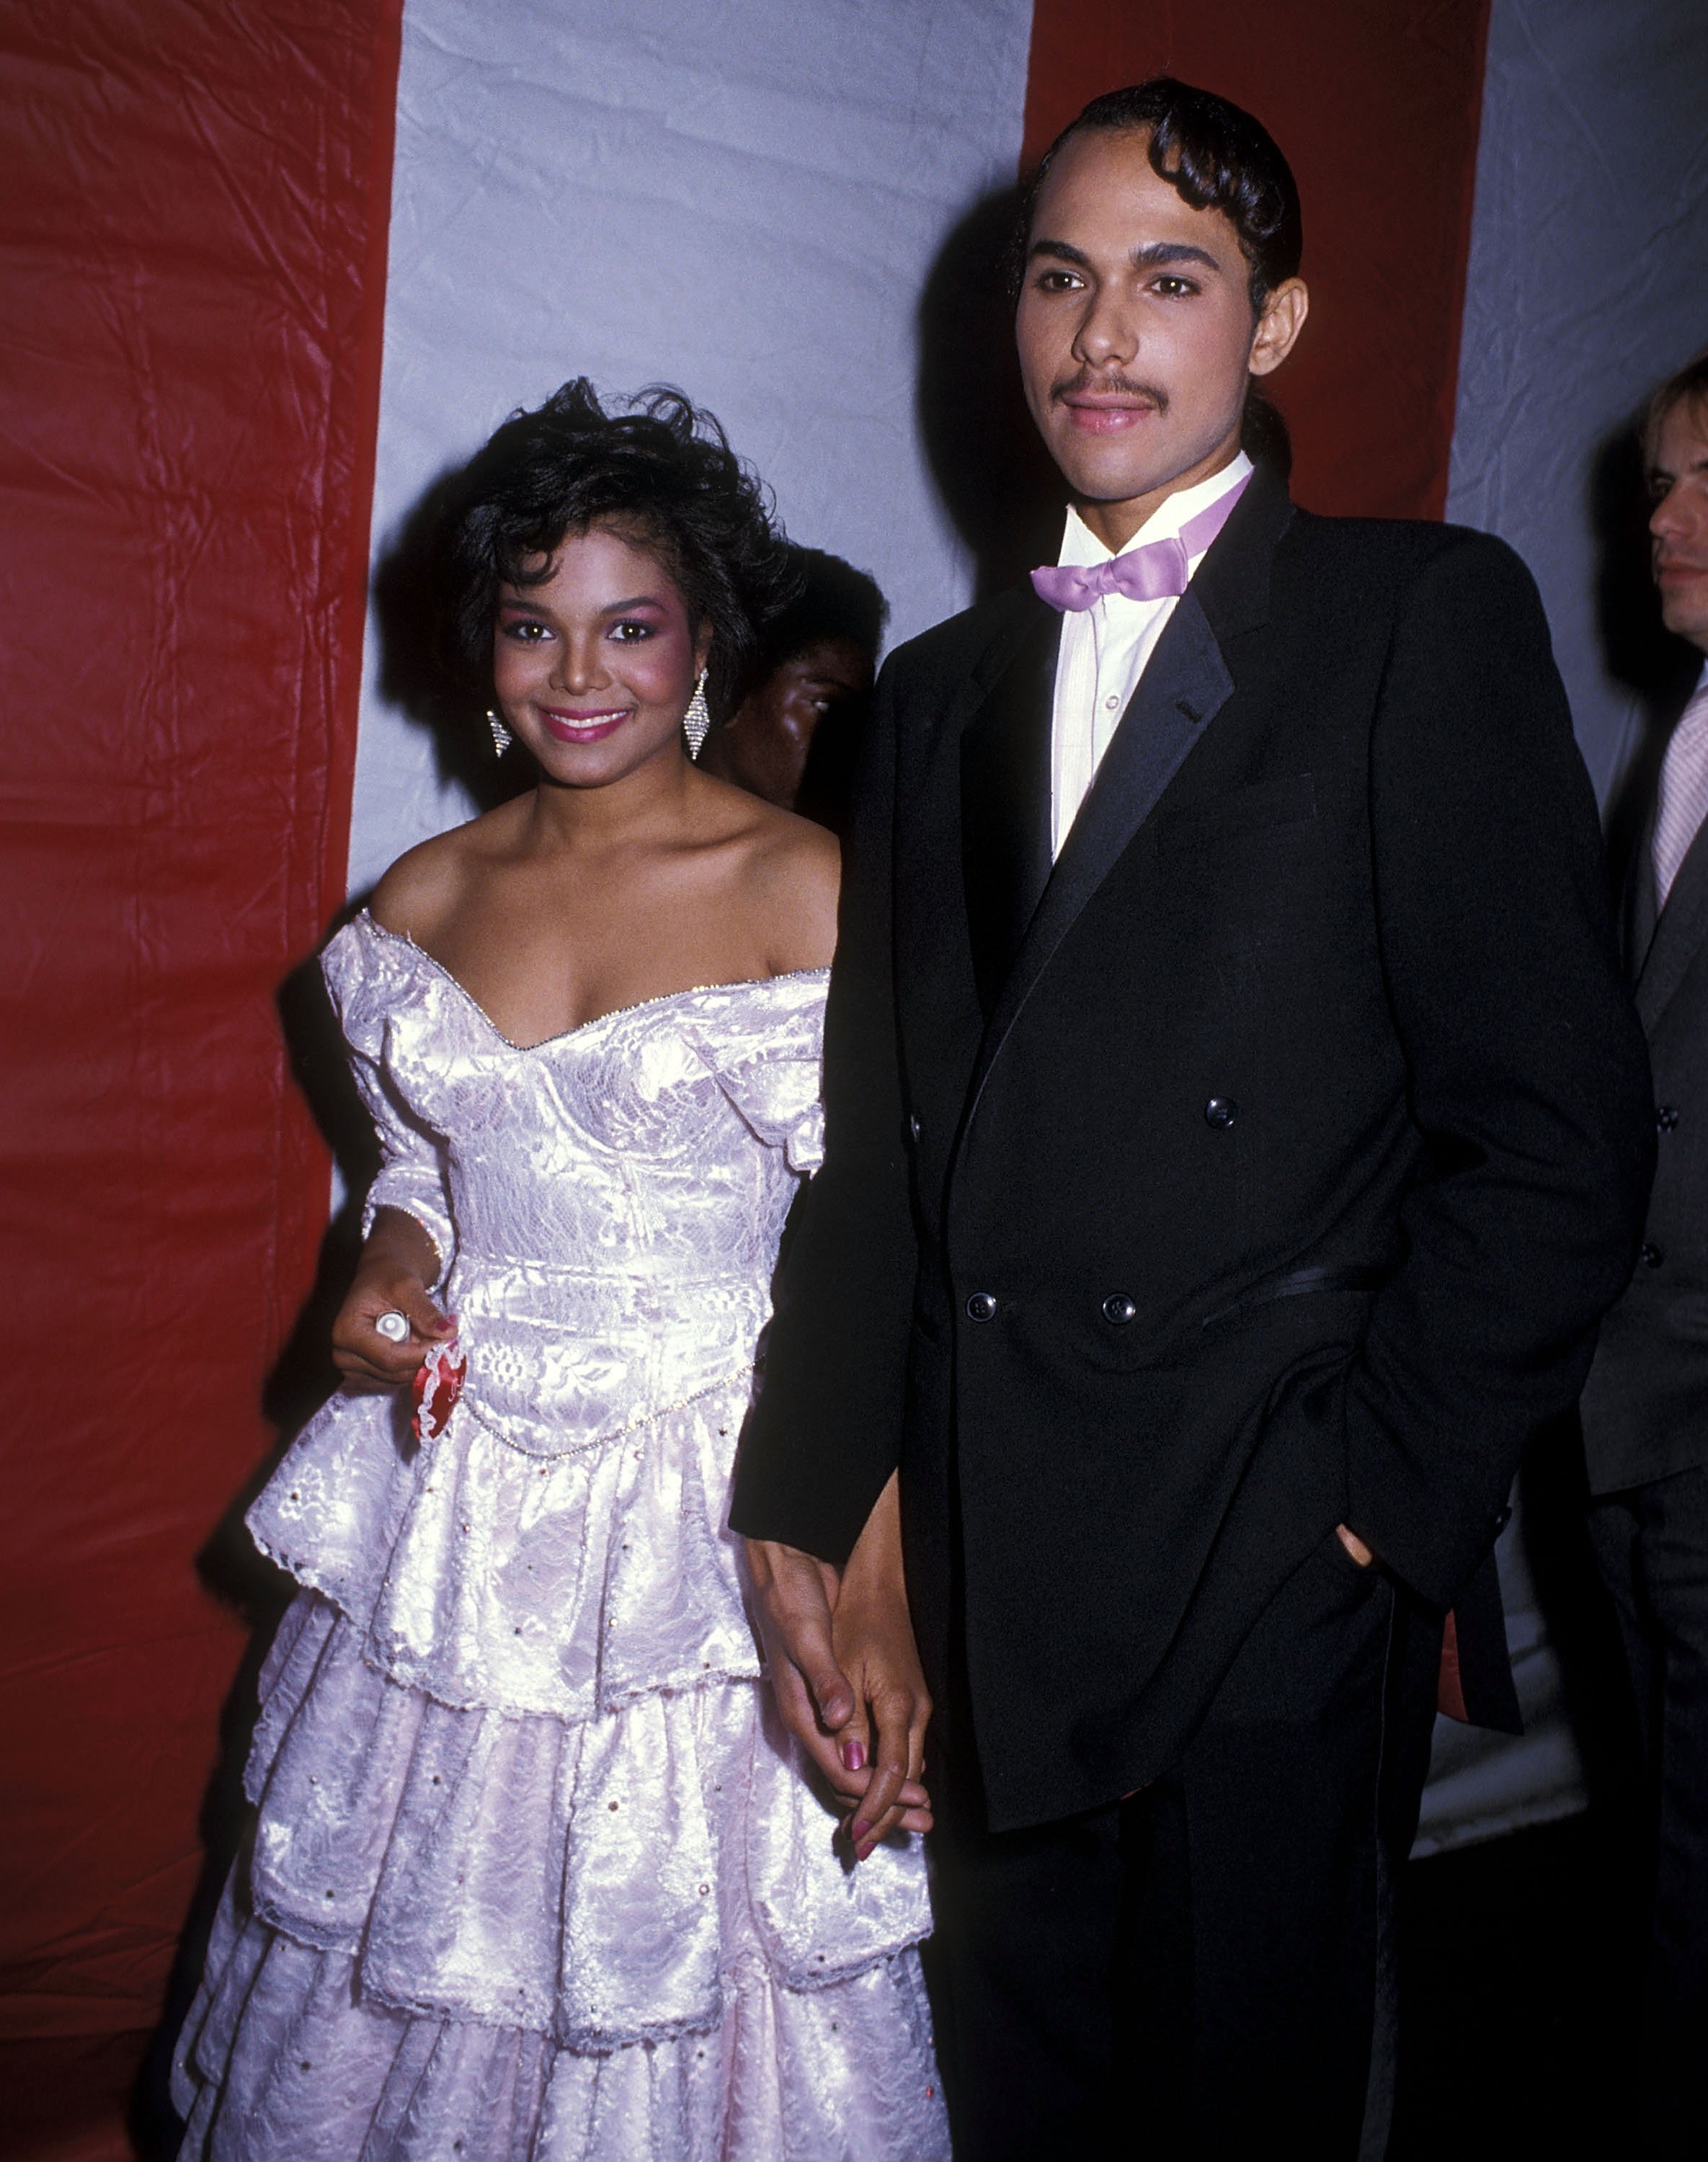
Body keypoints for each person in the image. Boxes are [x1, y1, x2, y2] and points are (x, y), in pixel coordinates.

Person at [731, 78, 1655, 2159]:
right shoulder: (936, 695)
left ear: (1278, 323)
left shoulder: (1419, 616)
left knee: (1244, 2109)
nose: (1098, 337)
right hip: (988, 1542)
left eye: (1171, 279)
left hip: (1262, 1535)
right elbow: (884, 1154)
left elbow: (1561, 1137)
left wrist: (1368, 1512)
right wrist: (809, 1503)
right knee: (1018, 2098)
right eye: (1057, 279)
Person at [171, 381, 949, 2162]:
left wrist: (871, 1571)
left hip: (721, 1517)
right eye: (534, 625)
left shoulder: (814, 889)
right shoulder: (417, 902)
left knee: (677, 1978)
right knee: (417, 1957)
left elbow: (882, 1257)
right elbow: (418, 1166)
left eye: (628, 625)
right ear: (484, 645)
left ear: (702, 642)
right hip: (456, 1519)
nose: (577, 671)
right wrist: (388, 1268)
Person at [1580, 345, 1708, 2153]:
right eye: (1656, 481)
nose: (1660, 521)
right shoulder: (1674, 743)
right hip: (1626, 1424)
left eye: (1707, 482)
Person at [696, 546, 886, 830]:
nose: (844, 740)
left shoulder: (833, 860)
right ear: (732, 685)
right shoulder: (628, 837)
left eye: (859, 717)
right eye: (824, 705)